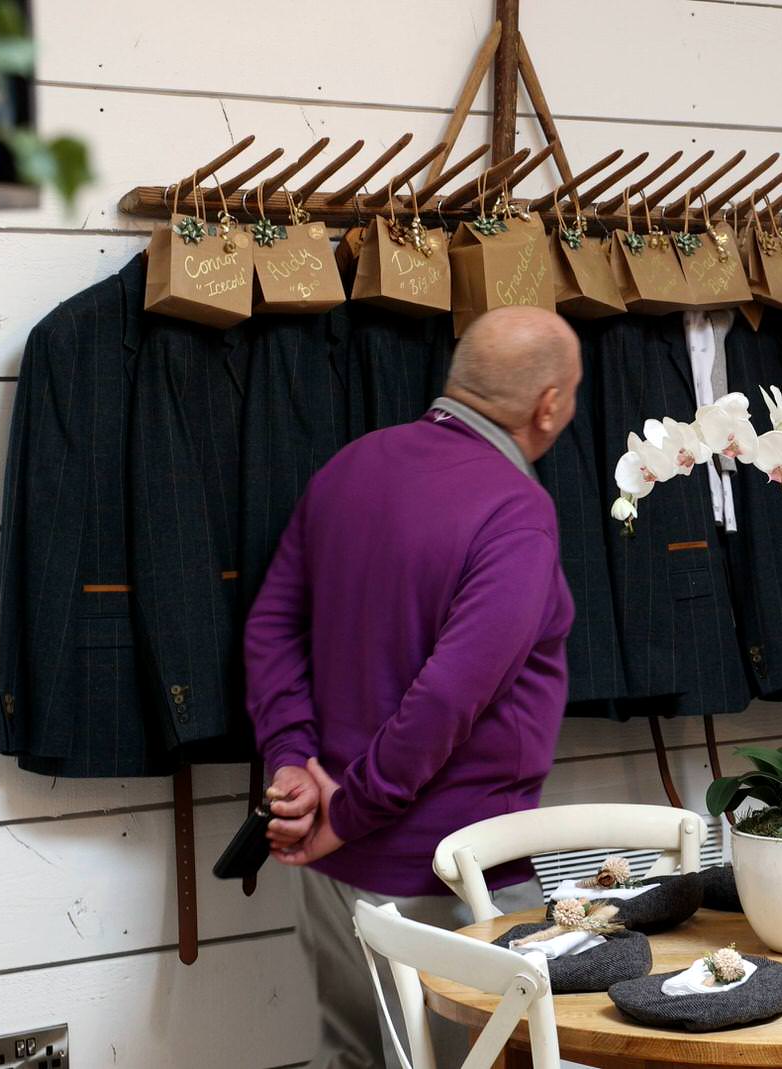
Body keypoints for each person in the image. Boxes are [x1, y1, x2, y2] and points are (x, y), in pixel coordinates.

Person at [245, 306, 582, 1069]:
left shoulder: (351, 465)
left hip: (331, 868)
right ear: (549, 404)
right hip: (456, 882)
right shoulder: (516, 510)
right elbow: (448, 697)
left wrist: (291, 762)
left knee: (352, 1058)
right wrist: (348, 810)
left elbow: (271, 625)